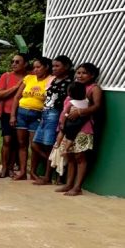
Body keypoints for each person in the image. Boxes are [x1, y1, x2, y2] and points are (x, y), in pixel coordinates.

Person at [57, 63, 103, 196]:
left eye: (84, 73)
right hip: (70, 129)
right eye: (78, 73)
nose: (80, 75)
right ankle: (69, 184)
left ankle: (77, 187)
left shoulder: (94, 89)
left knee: (80, 157)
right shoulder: (75, 87)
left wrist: (80, 112)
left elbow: (97, 106)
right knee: (70, 156)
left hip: (84, 128)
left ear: (92, 75)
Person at [10, 57, 53, 181]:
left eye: (39, 67)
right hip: (22, 113)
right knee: (22, 144)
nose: (36, 70)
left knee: (34, 145)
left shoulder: (50, 80)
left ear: (46, 67)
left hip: (38, 115)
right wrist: (13, 115)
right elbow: (17, 97)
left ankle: (33, 171)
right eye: (34, 67)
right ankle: (23, 171)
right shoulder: (28, 78)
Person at [32, 55, 73, 185]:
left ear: (66, 67)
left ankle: (48, 176)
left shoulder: (69, 83)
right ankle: (55, 164)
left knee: (49, 145)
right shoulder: (53, 80)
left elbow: (67, 103)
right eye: (53, 66)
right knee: (35, 144)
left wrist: (62, 120)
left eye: (57, 66)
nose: (54, 68)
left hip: (55, 115)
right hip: (44, 114)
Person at [0, 53, 28, 178]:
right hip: (7, 112)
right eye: (12, 61)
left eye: (17, 62)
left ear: (25, 64)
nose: (14, 64)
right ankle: (4, 167)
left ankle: (11, 167)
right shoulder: (6, 76)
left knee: (17, 142)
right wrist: (16, 87)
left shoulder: (30, 77)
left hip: (24, 113)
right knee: (7, 140)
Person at [57, 82, 87, 154]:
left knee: (62, 132)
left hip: (69, 122)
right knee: (71, 137)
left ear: (70, 93)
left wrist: (62, 123)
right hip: (78, 123)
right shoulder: (86, 102)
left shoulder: (71, 102)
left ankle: (57, 144)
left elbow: (65, 113)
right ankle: (66, 149)